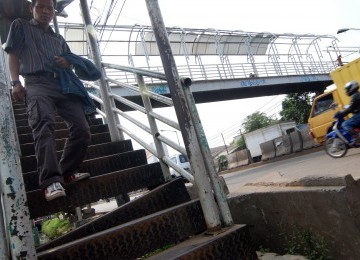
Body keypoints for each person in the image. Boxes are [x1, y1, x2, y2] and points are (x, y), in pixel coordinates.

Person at [4, 0, 99, 201]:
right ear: (32, 8)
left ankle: (66, 171)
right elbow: (12, 54)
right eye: (41, 7)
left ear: (54, 13)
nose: (46, 11)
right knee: (43, 124)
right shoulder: (20, 25)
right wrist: (15, 83)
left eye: (50, 8)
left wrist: (68, 62)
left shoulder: (58, 38)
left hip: (63, 86)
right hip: (36, 83)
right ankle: (50, 181)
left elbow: (69, 61)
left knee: (82, 129)